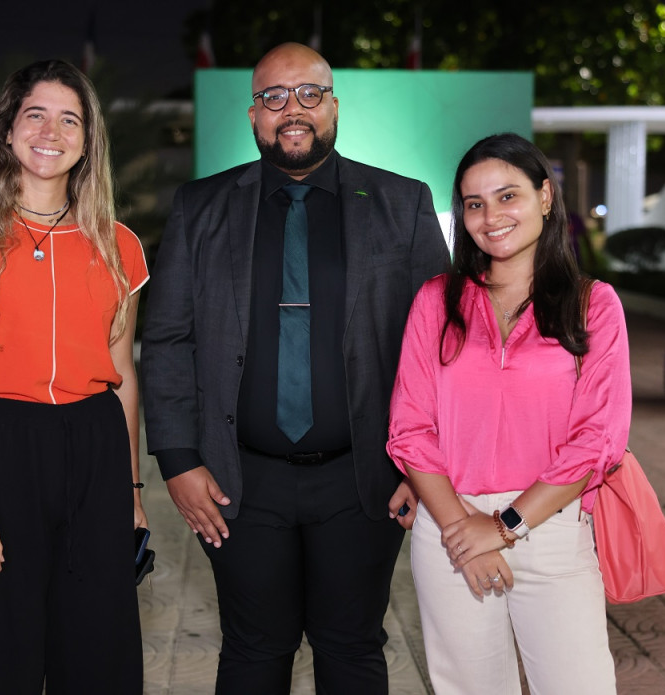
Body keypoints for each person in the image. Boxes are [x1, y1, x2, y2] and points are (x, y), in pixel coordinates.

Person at [141, 42, 450, 694]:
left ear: (334, 106)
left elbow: (440, 346)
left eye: (309, 93)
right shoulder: (201, 207)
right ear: (254, 114)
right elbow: (168, 339)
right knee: (254, 650)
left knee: (353, 646)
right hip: (236, 481)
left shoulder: (403, 203)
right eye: (274, 97)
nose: (293, 110)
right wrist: (177, 460)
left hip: (365, 478)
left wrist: (428, 467)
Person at [0, 59, 148, 694]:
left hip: (96, 451)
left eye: (69, 118)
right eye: (35, 114)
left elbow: (123, 375)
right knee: (0, 653)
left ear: (88, 139)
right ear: (7, 130)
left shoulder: (118, 244)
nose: (52, 130)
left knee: (98, 651)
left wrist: (130, 491)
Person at [387, 132, 632, 693]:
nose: (490, 216)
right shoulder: (435, 300)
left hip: (548, 525)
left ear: (545, 197)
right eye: (474, 203)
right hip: (450, 524)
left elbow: (597, 438)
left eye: (507, 196)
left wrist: (504, 526)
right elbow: (409, 427)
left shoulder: (593, 304)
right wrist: (461, 529)